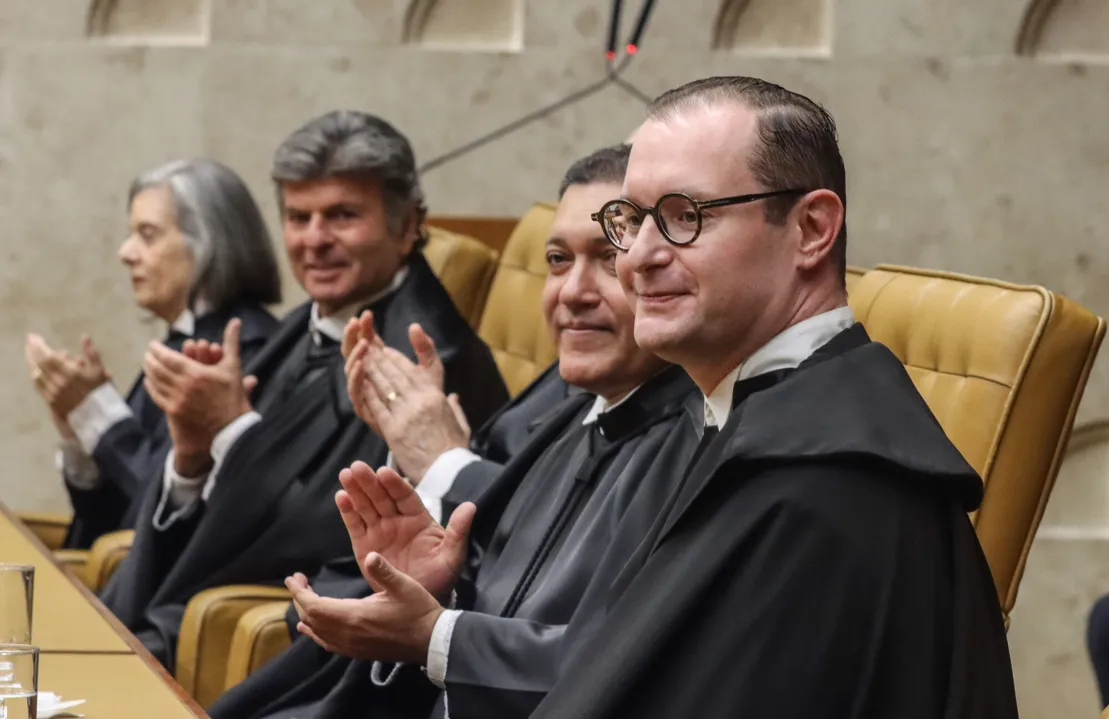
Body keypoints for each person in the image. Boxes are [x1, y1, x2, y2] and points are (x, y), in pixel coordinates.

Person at [519, 76, 1019, 718]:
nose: (637, 258)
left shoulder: (826, 488)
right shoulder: (732, 419)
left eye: (683, 217)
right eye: (632, 219)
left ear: (812, 229)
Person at [275, 143, 702, 719]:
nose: (571, 292)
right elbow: (508, 588)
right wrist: (432, 590)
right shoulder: (583, 406)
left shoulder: (697, 440)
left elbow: (618, 666)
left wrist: (434, 629)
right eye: (556, 259)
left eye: (607, 256)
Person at [99, 110, 509, 670]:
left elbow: (333, 533)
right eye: (298, 217)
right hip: (186, 606)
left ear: (407, 225)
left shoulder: (426, 362)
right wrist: (192, 456)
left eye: (342, 215)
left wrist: (233, 434)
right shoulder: (301, 324)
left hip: (285, 639)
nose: (314, 240)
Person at [24, 158, 282, 549]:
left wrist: (99, 414)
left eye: (147, 234)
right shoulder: (179, 341)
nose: (126, 253)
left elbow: (169, 504)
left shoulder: (243, 350)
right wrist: (77, 433)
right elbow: (115, 517)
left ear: (208, 243)